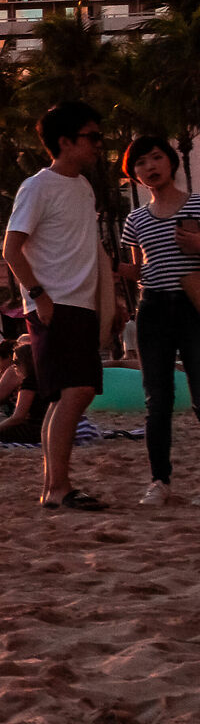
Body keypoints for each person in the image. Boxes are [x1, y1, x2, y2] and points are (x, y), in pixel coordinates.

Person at [3, 100, 112, 511]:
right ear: (65, 141)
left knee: (69, 395)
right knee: (77, 391)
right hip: (54, 304)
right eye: (92, 137)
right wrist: (38, 296)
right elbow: (13, 249)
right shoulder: (37, 186)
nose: (99, 144)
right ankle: (58, 487)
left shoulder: (83, 187)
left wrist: (110, 300)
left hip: (80, 304)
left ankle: (54, 486)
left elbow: (90, 250)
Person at [117, 133, 200, 505]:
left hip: (192, 305)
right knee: (158, 399)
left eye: (155, 158)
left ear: (171, 161)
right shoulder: (135, 219)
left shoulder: (197, 205)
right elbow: (139, 270)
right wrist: (109, 270)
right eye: (140, 163)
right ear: (134, 174)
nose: (149, 167)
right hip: (151, 310)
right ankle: (159, 481)